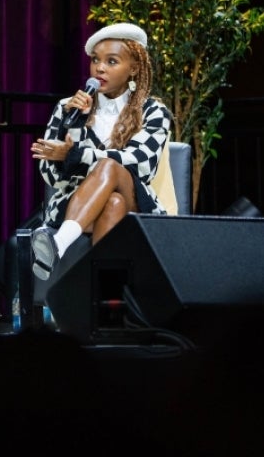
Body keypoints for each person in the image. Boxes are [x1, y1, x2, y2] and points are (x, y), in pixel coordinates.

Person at [29, 22, 172, 279]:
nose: (100, 68)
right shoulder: (67, 108)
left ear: (134, 68)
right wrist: (75, 124)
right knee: (112, 203)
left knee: (111, 168)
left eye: (112, 61)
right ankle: (103, 303)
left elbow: (140, 164)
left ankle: (58, 244)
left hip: (136, 202)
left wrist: (75, 155)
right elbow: (51, 176)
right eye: (95, 60)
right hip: (77, 203)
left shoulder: (153, 111)